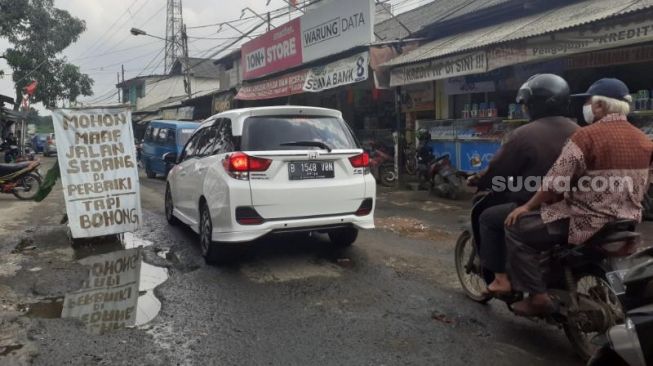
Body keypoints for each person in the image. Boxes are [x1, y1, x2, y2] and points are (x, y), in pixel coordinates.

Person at [504, 78, 653, 315]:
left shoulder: (586, 136)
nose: (587, 106)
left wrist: (528, 206)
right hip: (626, 221)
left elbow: (555, 181)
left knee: (516, 228)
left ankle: (538, 297)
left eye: (589, 101)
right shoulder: (645, 141)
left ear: (601, 106)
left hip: (583, 219)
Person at [471, 74, 579, 295]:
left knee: (488, 218)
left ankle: (501, 279)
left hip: (536, 205)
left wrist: (480, 180)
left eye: (527, 105)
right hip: (574, 205)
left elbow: (499, 169)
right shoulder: (580, 131)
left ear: (534, 105)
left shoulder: (524, 134)